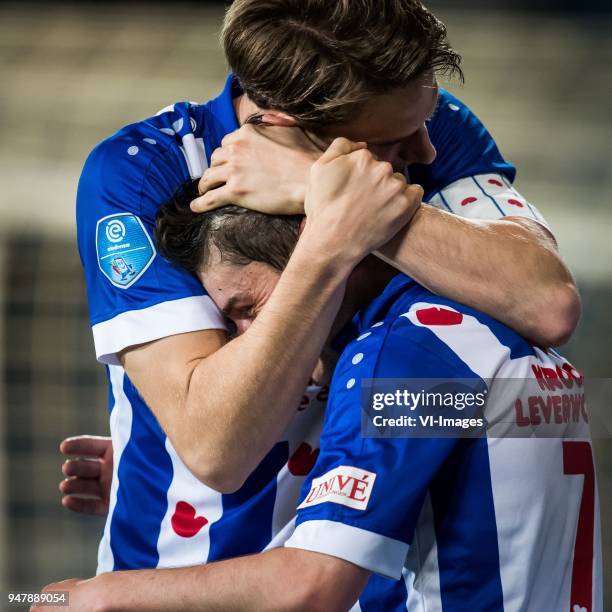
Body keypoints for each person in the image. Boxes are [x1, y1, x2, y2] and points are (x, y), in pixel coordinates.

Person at [71, 0, 578, 588]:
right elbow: (216, 449)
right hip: (173, 577)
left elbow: (549, 302)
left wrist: (320, 189)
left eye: (428, 116)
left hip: (327, 576)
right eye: (389, 142)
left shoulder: (429, 129)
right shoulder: (140, 172)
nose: (426, 153)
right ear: (285, 124)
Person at [38, 167, 601, 611]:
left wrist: (99, 596)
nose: (247, 340)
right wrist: (162, 476)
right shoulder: (489, 324)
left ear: (313, 246)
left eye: (247, 308)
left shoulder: (400, 357)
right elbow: (440, 467)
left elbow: (310, 586)